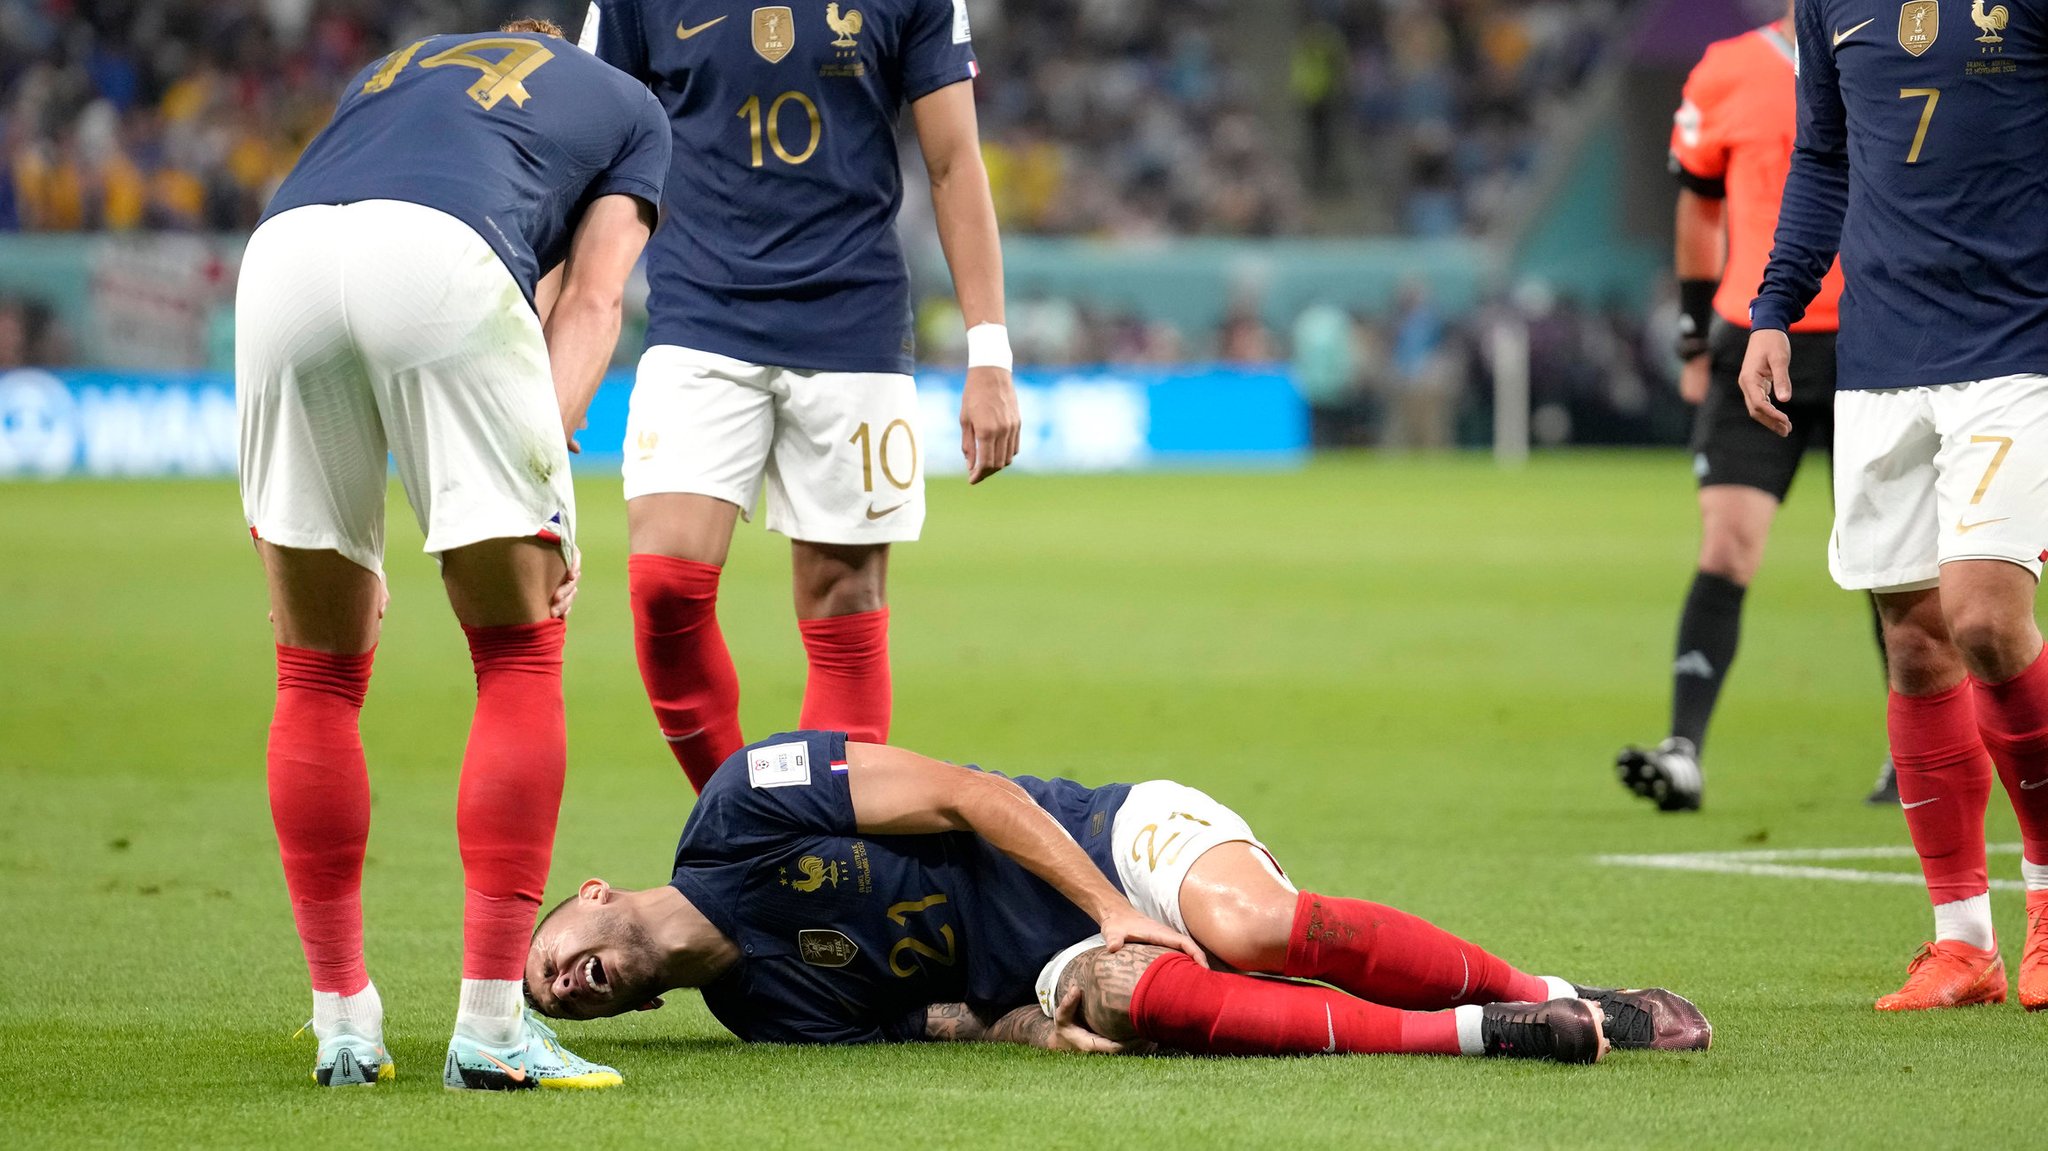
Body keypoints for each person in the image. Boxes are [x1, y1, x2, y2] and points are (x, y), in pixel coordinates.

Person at [238, 18, 667, 1088]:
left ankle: (344, 1017)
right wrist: (549, 488)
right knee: (519, 651)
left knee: (316, 670)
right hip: (440, 255)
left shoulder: (399, 67)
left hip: (281, 258)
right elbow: (596, 295)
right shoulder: (625, 106)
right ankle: (489, 1025)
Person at [526, 732, 1712, 1063]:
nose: (570, 984)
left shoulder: (741, 805)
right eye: (566, 1004)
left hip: (1100, 833)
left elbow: (973, 795)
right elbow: (924, 1020)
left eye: (552, 960)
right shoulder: (756, 1012)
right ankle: (1487, 1033)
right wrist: (1045, 1022)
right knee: (1141, 998)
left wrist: (1105, 899)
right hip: (1041, 957)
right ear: (622, 1013)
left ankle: (1560, 992)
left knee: (1253, 926)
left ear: (587, 893)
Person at [574, 1, 1021, 794]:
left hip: (853, 321)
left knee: (842, 595)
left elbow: (954, 162)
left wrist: (989, 350)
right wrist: (560, 335)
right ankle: (750, 835)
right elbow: (587, 152)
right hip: (699, 314)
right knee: (664, 589)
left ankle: (814, 859)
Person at [1741, 0, 2048, 1011]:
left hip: (2014, 346)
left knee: (1985, 620)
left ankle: (2046, 900)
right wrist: (1774, 306)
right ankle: (1959, 943)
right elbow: (1822, 157)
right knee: (1914, 642)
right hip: (1881, 355)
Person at [1618, 1, 1896, 814]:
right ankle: (1683, 753)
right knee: (1727, 544)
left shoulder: (1899, 52)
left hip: (1874, 339)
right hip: (1754, 338)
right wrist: (1692, 335)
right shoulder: (1727, 68)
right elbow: (1700, 207)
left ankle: (1911, 753)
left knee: (1893, 562)